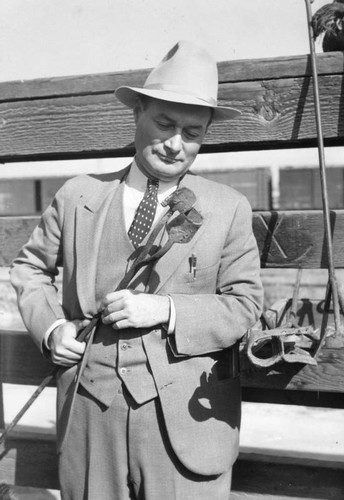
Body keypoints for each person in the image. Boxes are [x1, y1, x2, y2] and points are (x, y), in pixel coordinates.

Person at [10, 40, 263, 500]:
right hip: (90, 415)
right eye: (164, 123)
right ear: (137, 113)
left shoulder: (229, 208)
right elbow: (29, 268)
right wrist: (50, 329)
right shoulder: (77, 196)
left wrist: (165, 310)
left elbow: (244, 305)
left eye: (192, 132)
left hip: (186, 422)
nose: (174, 144)